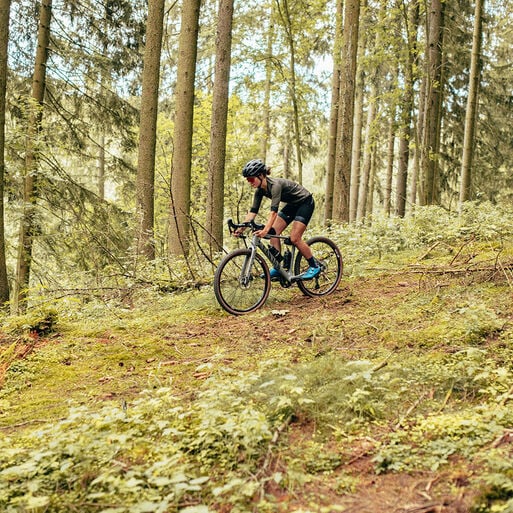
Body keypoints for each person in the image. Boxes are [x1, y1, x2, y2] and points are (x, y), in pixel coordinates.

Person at [234, 159, 320, 280]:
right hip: (292, 205)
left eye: (251, 179)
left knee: (295, 238)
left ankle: (314, 265)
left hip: (305, 202)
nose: (249, 182)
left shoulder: (275, 186)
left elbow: (273, 213)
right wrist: (241, 228)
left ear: (261, 175)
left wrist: (265, 230)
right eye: (248, 180)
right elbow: (252, 212)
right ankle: (278, 267)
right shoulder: (259, 191)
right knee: (273, 233)